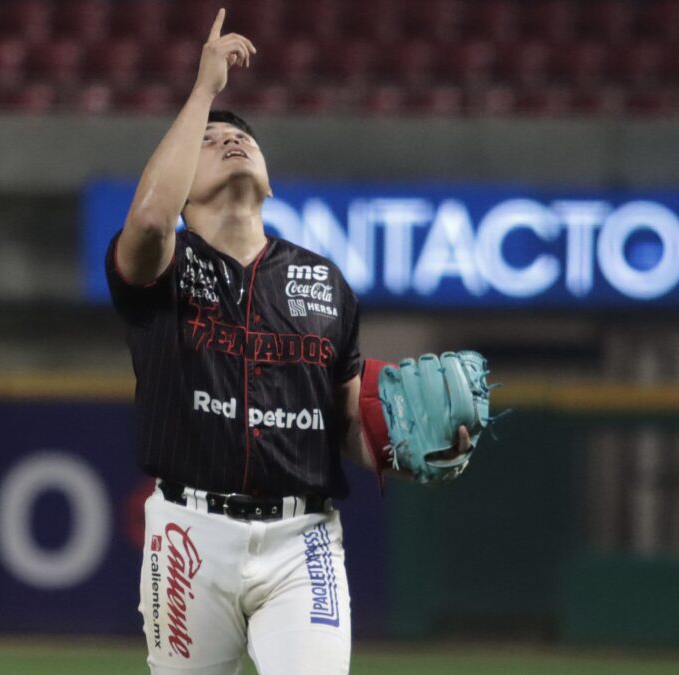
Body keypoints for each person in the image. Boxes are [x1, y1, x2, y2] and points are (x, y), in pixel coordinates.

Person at [105, 9, 469, 675]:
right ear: (185, 181)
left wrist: (405, 449)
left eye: (243, 138)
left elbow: (347, 424)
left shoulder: (326, 285)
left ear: (270, 180)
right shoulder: (163, 269)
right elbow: (152, 214)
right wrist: (202, 94)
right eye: (212, 141)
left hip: (302, 540)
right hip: (190, 534)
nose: (231, 140)